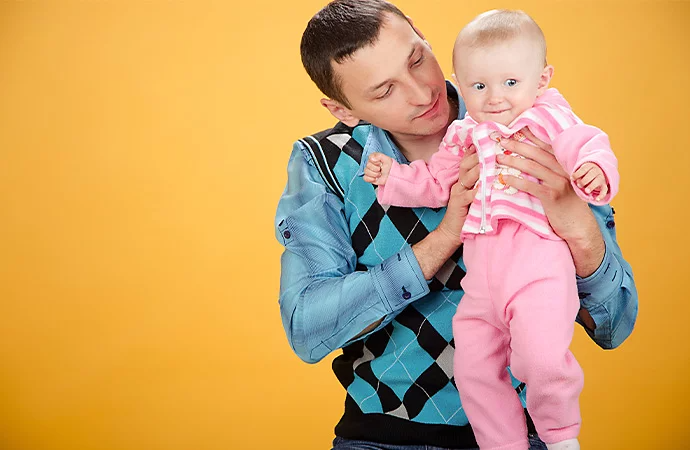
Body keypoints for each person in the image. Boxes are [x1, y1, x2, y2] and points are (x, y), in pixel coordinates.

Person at [275, 1, 638, 449]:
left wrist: (578, 226)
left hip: (527, 437)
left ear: (423, 36)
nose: (422, 93)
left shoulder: (529, 119)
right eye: (384, 90)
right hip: (384, 437)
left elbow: (615, 324)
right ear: (342, 110)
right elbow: (308, 327)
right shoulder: (325, 163)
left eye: (416, 60)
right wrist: (444, 237)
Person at [362, 10, 618, 450]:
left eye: (511, 83)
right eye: (479, 86)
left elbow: (587, 143)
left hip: (539, 267)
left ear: (541, 80)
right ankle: (503, 444)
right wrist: (393, 177)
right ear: (462, 82)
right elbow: (434, 181)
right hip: (481, 282)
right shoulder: (464, 134)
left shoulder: (547, 119)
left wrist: (594, 169)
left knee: (540, 359)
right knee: (475, 371)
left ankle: (559, 436)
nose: (495, 98)